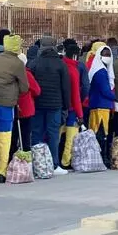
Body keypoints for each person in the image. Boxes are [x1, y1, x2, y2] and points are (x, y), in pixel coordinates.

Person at [0, 35, 28, 182]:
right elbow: (25, 87)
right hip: (6, 105)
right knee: (4, 139)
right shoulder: (17, 63)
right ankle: (2, 172)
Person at [30, 36, 70, 175]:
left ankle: (37, 163)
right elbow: (66, 87)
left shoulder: (34, 63)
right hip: (55, 105)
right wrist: (66, 105)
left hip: (38, 104)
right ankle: (54, 164)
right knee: (53, 134)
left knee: (37, 133)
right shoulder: (61, 64)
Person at [88, 45, 115, 166]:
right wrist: (116, 97)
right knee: (102, 133)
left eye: (108, 55)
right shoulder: (101, 72)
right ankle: (102, 158)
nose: (107, 57)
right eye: (105, 54)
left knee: (97, 131)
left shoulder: (97, 69)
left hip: (96, 104)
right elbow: (105, 90)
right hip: (102, 106)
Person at [11, 53, 40, 158]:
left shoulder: (8, 73)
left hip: (11, 106)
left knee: (12, 136)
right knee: (25, 136)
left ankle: (11, 159)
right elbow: (37, 90)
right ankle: (26, 160)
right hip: (26, 108)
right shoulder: (26, 74)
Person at [60, 44, 83, 168]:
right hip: (72, 109)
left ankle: (54, 160)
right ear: (75, 56)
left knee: (56, 135)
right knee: (71, 137)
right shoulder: (73, 70)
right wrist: (80, 114)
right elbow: (76, 94)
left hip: (59, 107)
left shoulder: (61, 65)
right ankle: (66, 161)